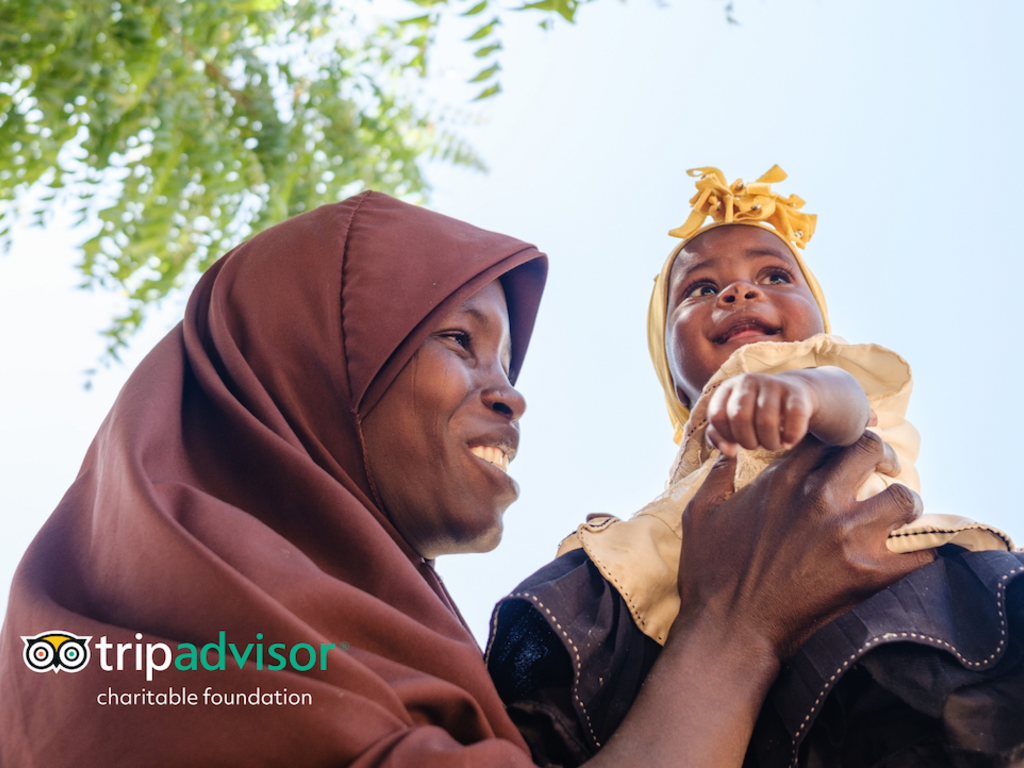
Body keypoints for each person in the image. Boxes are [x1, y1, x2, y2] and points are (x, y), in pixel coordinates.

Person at [0, 191, 929, 768]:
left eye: (510, 366)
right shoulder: (150, 666)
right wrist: (737, 632)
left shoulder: (387, 650)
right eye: (459, 341)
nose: (509, 399)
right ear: (305, 363)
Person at [487, 168, 1024, 767]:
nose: (738, 293)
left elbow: (848, 402)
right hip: (670, 623)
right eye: (698, 289)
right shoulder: (691, 470)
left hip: (877, 616)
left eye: (774, 275)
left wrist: (804, 394)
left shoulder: (820, 371)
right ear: (670, 371)